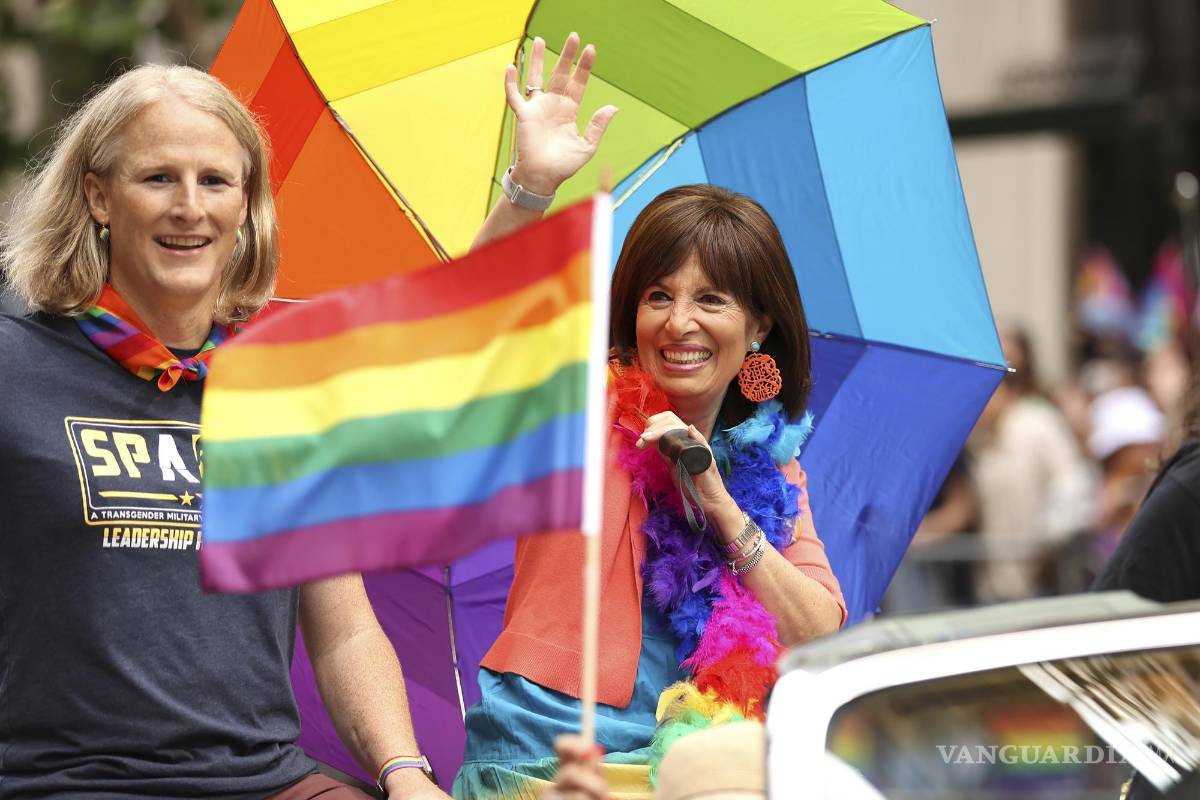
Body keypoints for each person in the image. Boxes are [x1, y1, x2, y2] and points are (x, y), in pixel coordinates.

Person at [0, 32, 612, 799]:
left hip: (267, 781)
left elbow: (346, 626)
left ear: (246, 204)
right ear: (98, 195)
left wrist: (405, 774)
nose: (190, 207)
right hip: (67, 782)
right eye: (159, 178)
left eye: (216, 181)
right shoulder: (15, 364)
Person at [455, 184, 846, 799]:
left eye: (710, 299)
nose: (677, 321)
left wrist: (719, 504)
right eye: (657, 296)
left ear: (758, 328)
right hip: (547, 764)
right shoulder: (576, 408)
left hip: (692, 773)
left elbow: (816, 627)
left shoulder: (774, 472)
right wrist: (528, 188)